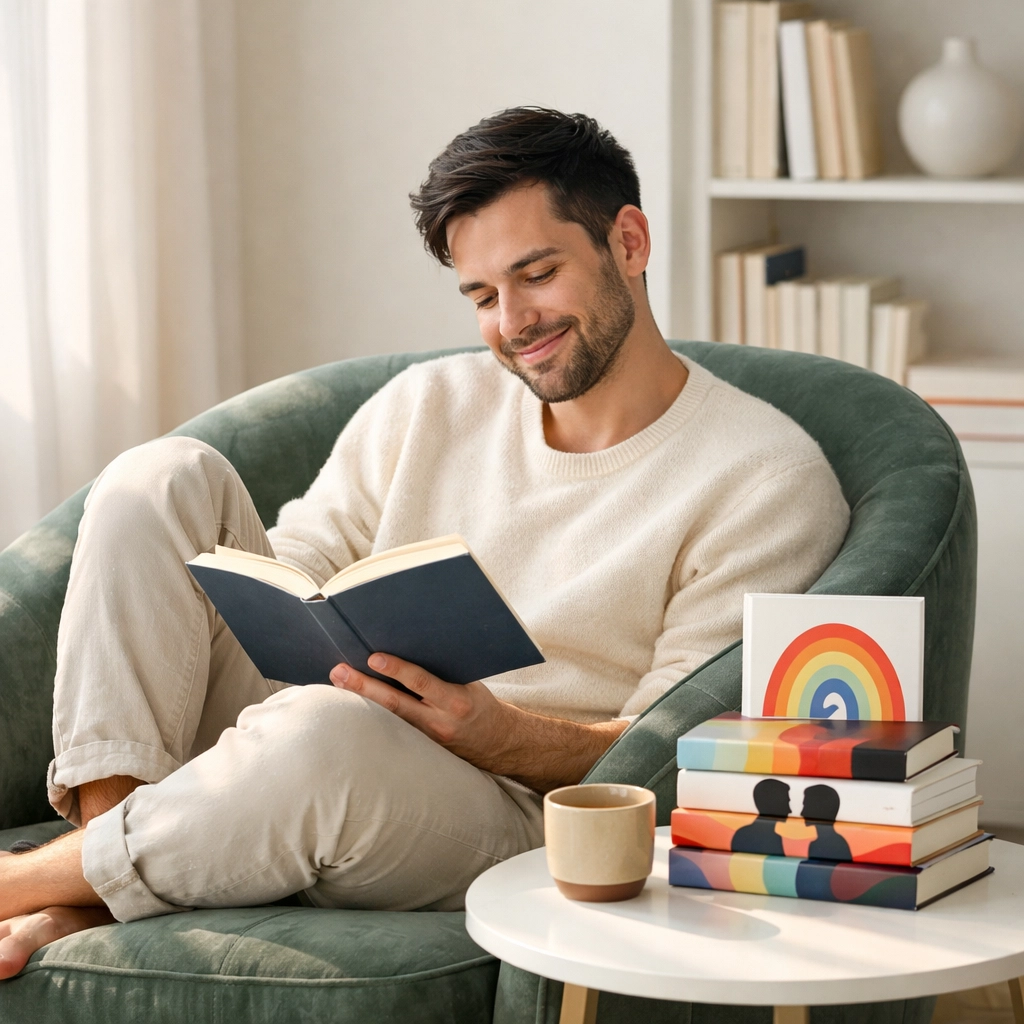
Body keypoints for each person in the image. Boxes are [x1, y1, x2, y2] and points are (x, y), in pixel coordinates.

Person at [0, 107, 850, 979]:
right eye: (481, 296)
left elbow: (675, 757)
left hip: (505, 804)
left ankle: (29, 885)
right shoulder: (427, 403)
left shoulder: (763, 478)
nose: (513, 322)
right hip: (307, 728)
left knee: (324, 731)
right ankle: (97, 875)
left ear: (628, 242)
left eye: (538, 274)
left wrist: (500, 733)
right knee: (156, 477)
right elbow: (291, 574)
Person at [732, 778, 791, 855]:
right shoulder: (746, 835)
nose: (789, 811)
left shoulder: (774, 837)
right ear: (773, 803)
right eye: (786, 803)